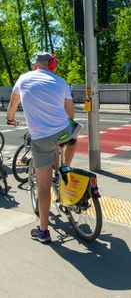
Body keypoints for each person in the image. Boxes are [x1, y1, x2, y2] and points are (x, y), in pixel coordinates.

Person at [6, 52, 82, 243]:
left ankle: (43, 231)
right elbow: (70, 114)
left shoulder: (23, 79)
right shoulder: (61, 82)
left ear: (35, 66)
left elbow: (13, 104)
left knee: (43, 185)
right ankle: (65, 168)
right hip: (64, 132)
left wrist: (10, 119)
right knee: (70, 137)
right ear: (52, 64)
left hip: (41, 139)